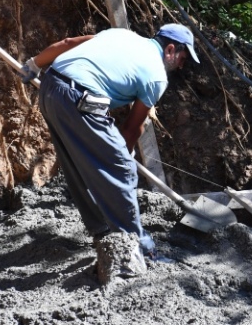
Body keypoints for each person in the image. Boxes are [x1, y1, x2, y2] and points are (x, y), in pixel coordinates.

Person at [21, 24, 199, 262]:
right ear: (170, 49)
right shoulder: (156, 75)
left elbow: (68, 43)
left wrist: (34, 63)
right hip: (80, 99)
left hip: (50, 87)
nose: (181, 65)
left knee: (76, 166)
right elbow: (132, 128)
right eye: (182, 58)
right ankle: (137, 248)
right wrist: (122, 156)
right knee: (123, 171)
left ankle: (102, 230)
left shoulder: (121, 34)